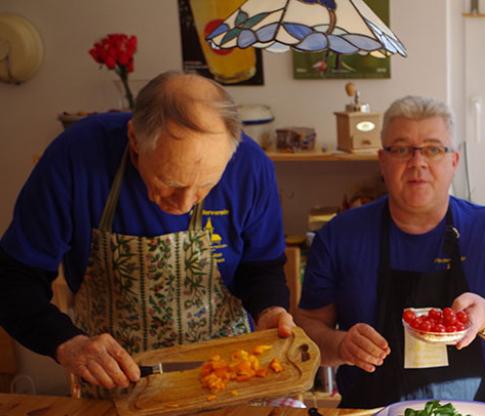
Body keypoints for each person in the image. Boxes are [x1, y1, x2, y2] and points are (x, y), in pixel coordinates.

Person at [0, 71, 293, 391]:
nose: (184, 204)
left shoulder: (251, 166)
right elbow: (13, 280)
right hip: (116, 382)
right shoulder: (75, 158)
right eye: (170, 183)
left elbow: (261, 268)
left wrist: (270, 310)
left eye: (205, 187)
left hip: (226, 374)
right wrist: (67, 343)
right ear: (135, 140)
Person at [295, 95, 485, 409]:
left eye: (433, 148)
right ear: (382, 161)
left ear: (453, 161)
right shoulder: (339, 235)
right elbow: (306, 329)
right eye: (401, 149)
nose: (417, 162)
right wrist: (340, 345)